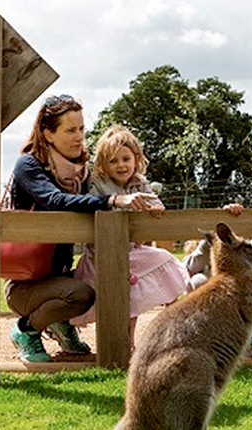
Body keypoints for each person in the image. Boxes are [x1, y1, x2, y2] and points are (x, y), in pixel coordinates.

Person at [4, 94, 118, 363]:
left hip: (61, 274)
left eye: (81, 129)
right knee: (81, 294)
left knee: (112, 280)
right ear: (48, 134)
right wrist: (110, 201)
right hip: (26, 283)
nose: (79, 137)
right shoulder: (29, 165)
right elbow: (54, 200)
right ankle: (26, 330)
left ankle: (59, 323)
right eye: (70, 130)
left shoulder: (81, 172)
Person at [71, 125, 191, 351]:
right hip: (103, 254)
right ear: (103, 165)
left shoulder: (140, 182)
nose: (121, 165)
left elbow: (155, 203)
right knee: (117, 299)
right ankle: (119, 344)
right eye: (113, 161)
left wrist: (154, 209)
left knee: (160, 266)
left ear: (136, 159)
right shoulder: (98, 184)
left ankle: (171, 327)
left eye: (126, 159)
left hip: (133, 253)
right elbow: (91, 206)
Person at [181, 203, 252, 358]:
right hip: (216, 300)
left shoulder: (236, 249)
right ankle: (211, 341)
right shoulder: (203, 250)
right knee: (199, 280)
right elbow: (189, 267)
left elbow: (251, 250)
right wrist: (211, 243)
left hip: (239, 293)